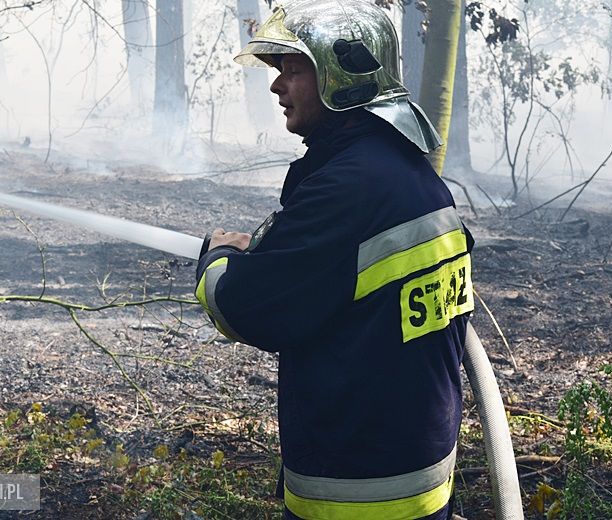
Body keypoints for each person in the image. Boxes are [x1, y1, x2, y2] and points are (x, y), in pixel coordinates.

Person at [195, 1, 474, 519]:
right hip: (420, 474)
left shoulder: (348, 189)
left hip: (358, 492)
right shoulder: (406, 174)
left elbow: (246, 307)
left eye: (293, 69)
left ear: (344, 75)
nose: (277, 86)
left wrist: (217, 260)